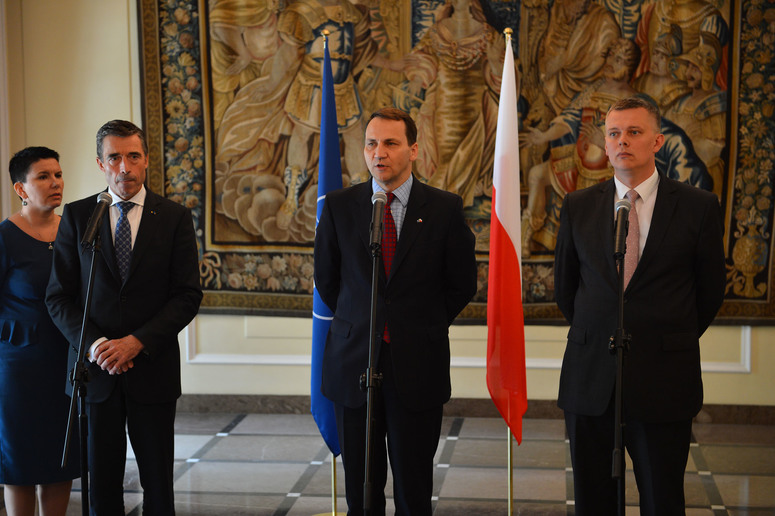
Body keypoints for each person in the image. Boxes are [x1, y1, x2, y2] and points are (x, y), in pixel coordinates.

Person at [554, 96, 726, 515]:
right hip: (591, 376)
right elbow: (566, 288)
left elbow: (710, 293)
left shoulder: (698, 206)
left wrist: (663, 334)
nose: (621, 141)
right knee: (592, 501)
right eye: (614, 133)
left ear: (658, 142)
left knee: (662, 498)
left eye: (634, 132)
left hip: (664, 378)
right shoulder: (578, 206)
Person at [314, 107, 477, 515]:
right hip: (354, 365)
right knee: (361, 490)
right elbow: (328, 281)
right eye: (371, 143)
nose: (378, 153)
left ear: (414, 150)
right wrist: (367, 321)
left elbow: (460, 284)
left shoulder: (443, 208)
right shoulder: (339, 206)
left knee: (413, 487)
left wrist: (417, 323)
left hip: (417, 364)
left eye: (390, 143)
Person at [46, 120, 203, 515]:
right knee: (101, 487)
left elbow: (187, 295)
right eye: (114, 157)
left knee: (158, 487)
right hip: (96, 376)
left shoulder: (173, 218)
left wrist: (137, 341)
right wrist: (98, 346)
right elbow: (59, 296)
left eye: (133, 156)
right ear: (101, 163)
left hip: (152, 370)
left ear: (146, 159)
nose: (125, 167)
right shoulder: (80, 216)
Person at [1, 147, 78, 515]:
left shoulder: (75, 231)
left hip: (67, 363)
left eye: (58, 174)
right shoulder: (5, 236)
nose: (55, 183)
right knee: (19, 459)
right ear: (21, 188)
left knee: (60, 455)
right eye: (43, 177)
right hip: (19, 365)